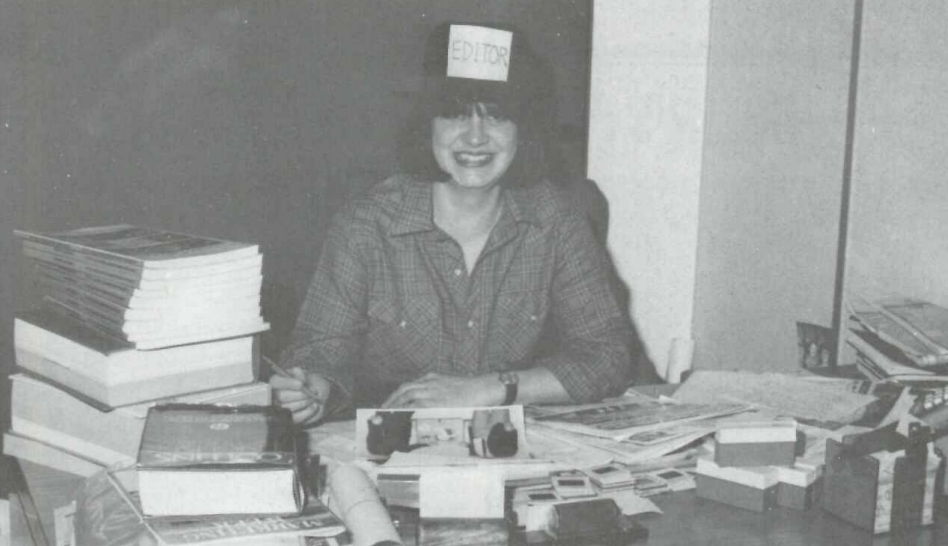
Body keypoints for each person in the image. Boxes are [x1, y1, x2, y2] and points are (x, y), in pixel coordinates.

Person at [272, 22, 651, 425]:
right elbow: (319, 353)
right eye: (454, 115)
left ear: (524, 131)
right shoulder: (365, 226)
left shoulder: (556, 220)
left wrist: (490, 388)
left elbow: (609, 356)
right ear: (427, 126)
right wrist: (312, 390)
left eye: (497, 117)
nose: (474, 138)